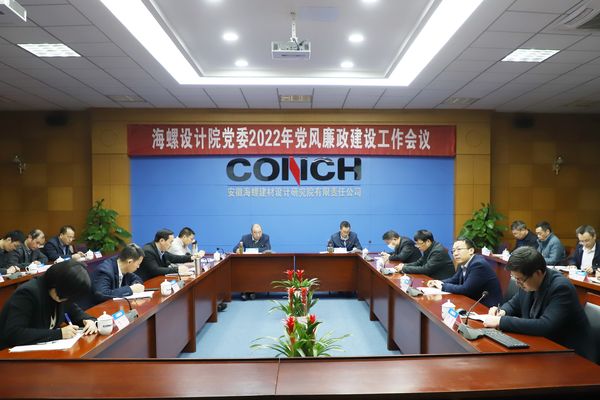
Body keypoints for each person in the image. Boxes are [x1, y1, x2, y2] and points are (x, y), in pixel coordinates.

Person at [484, 246, 595, 361]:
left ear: (537, 273)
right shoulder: (528, 281)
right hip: (543, 347)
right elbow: (514, 304)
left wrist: (501, 321)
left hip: (571, 355)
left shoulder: (561, 288)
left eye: (520, 279)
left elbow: (546, 326)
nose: (517, 283)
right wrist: (502, 311)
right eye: (514, 278)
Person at [0, 260, 98, 349]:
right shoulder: (27, 293)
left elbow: (78, 314)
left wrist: (90, 322)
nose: (66, 299)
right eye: (66, 295)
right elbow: (14, 333)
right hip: (9, 354)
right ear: (56, 284)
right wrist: (59, 334)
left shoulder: (61, 294)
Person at [427, 238, 502, 307]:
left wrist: (443, 286)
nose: (455, 254)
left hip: (486, 307)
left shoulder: (478, 264)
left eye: (459, 249)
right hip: (471, 302)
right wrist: (437, 282)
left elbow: (466, 289)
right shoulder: (463, 262)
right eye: (453, 251)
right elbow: (454, 280)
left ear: (471, 251)